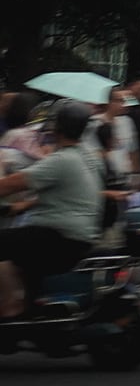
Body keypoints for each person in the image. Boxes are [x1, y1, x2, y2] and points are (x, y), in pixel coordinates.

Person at [0, 101, 107, 319]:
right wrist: (23, 206)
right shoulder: (87, 157)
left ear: (56, 127)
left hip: (58, 237)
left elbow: (11, 184)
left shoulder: (62, 160)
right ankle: (29, 304)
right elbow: (68, 195)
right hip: (77, 235)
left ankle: (11, 307)